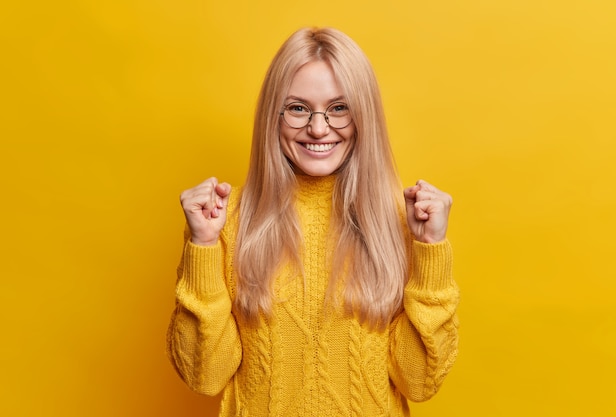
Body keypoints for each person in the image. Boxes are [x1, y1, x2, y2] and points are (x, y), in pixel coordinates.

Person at [167, 27, 459, 416]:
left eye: (339, 108)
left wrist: (430, 255)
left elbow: (419, 382)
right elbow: (204, 377)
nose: (318, 128)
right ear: (273, 114)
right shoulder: (225, 220)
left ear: (363, 116)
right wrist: (202, 246)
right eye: (298, 108)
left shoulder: (401, 221)